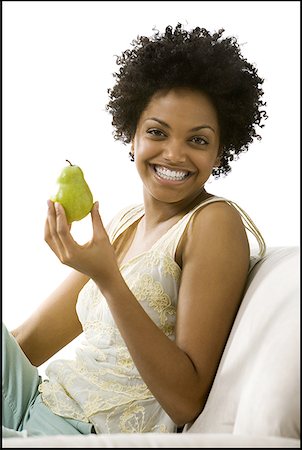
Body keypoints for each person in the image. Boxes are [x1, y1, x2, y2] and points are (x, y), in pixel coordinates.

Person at [2, 23, 267, 437]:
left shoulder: (213, 223)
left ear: (221, 149)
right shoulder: (126, 223)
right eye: (157, 132)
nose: (174, 154)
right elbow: (28, 342)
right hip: (38, 398)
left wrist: (108, 277)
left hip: (71, 434)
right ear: (131, 137)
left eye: (198, 140)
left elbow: (186, 401)